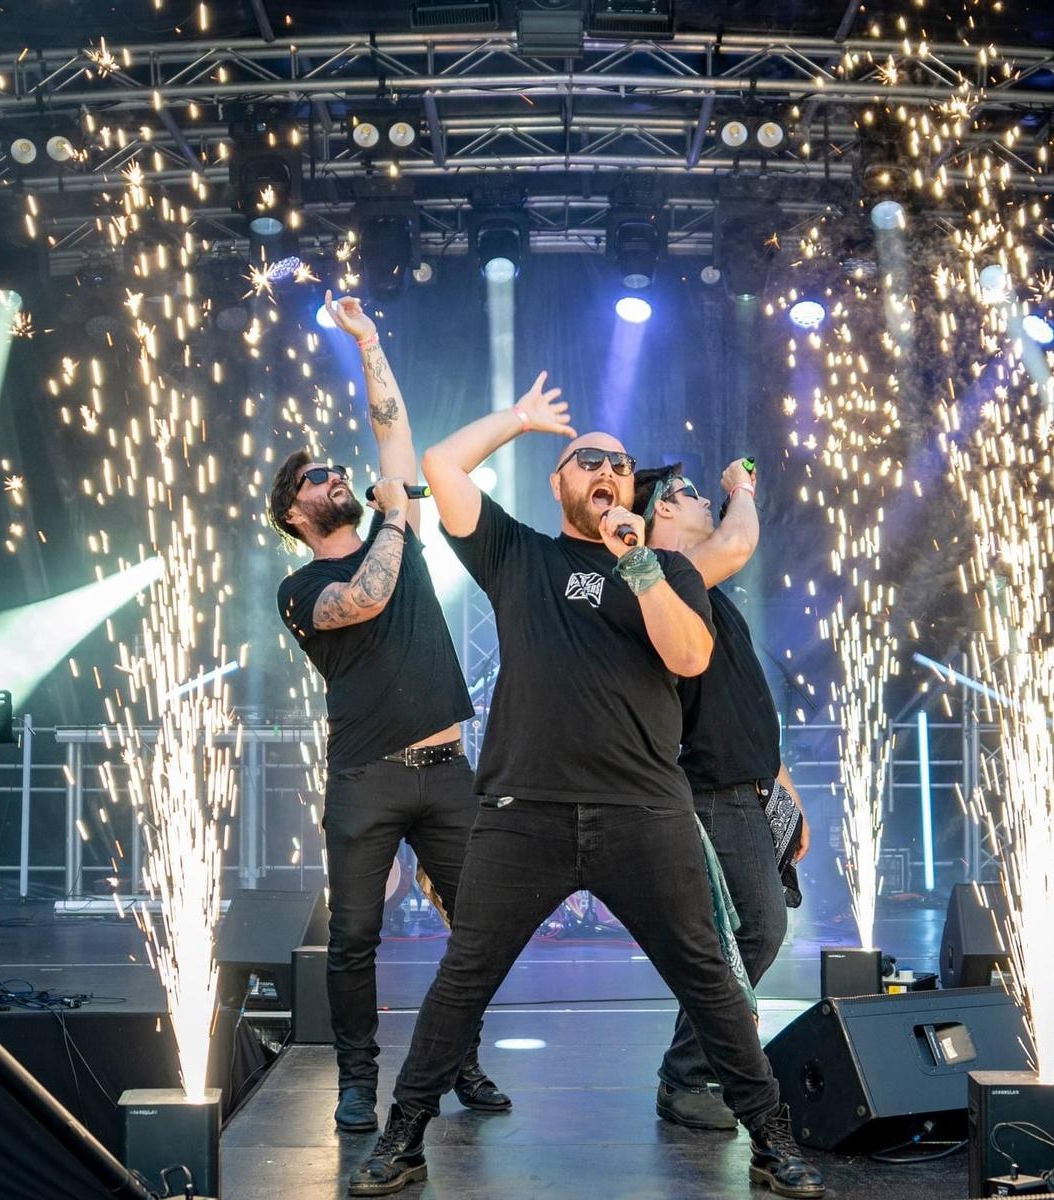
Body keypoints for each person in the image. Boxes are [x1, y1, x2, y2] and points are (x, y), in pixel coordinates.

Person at [348, 373, 825, 1199]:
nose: (606, 470)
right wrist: (520, 418)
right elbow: (442, 465)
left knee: (711, 980)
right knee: (464, 978)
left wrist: (635, 559)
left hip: (644, 814)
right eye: (587, 460)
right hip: (522, 816)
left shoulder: (665, 569)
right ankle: (402, 1138)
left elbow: (689, 657)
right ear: (558, 482)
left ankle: (771, 1140)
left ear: (630, 490)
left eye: (619, 464)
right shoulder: (518, 555)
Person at [269, 293, 509, 1135]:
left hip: (446, 773)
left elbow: (392, 430)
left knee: (478, 928)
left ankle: (458, 1061)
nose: (336, 476)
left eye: (337, 471)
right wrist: (398, 515)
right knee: (354, 938)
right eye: (317, 479)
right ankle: (357, 1080)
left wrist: (369, 343)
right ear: (293, 512)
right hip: (365, 778)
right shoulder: (302, 587)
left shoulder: (388, 528)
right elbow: (365, 600)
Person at [628, 459, 811, 1131]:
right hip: (711, 790)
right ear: (662, 511)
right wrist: (743, 488)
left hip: (749, 786)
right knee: (756, 930)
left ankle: (696, 1067)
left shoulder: (704, 588)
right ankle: (687, 1074)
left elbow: (742, 701)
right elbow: (738, 541)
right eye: (690, 494)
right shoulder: (663, 577)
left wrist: (782, 787)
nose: (706, 499)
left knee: (739, 938)